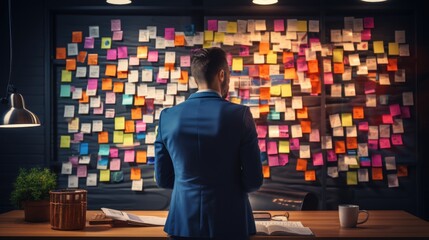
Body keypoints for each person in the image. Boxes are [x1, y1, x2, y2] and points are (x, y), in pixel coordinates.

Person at [154, 47, 263, 240]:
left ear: (195, 78)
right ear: (222, 75)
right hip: (232, 224)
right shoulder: (241, 116)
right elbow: (253, 180)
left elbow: (163, 179)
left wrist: (187, 185)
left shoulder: (167, 117)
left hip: (182, 224)